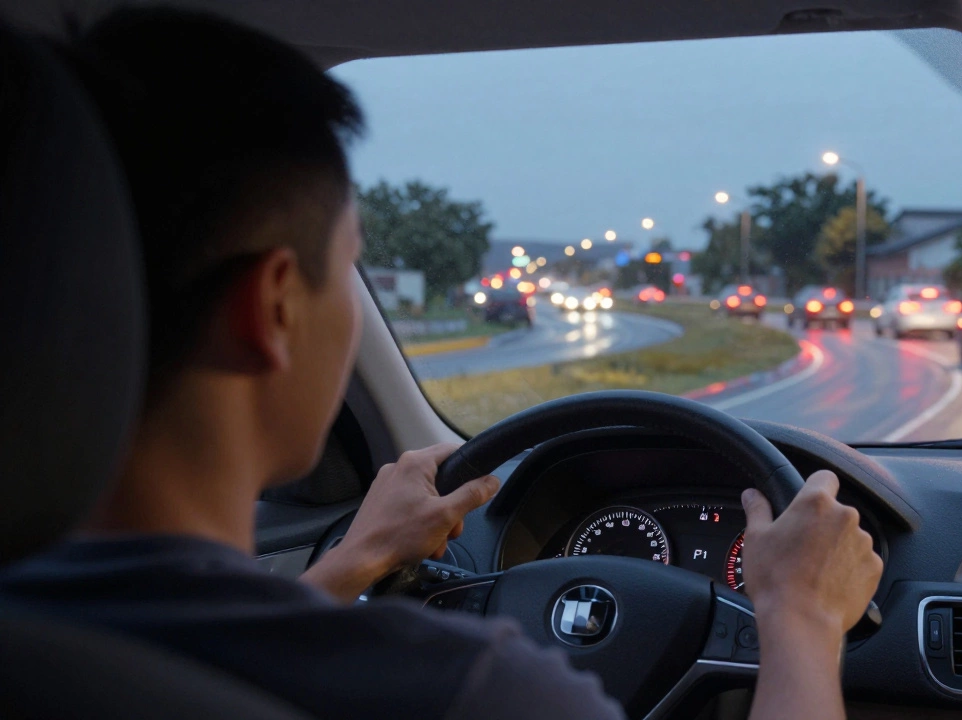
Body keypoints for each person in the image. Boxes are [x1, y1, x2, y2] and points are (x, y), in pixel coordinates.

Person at [0, 7, 883, 720]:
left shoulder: (45, 630)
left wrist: (351, 561)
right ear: (271, 309)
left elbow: (185, 645)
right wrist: (800, 620)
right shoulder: (468, 692)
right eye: (350, 264)